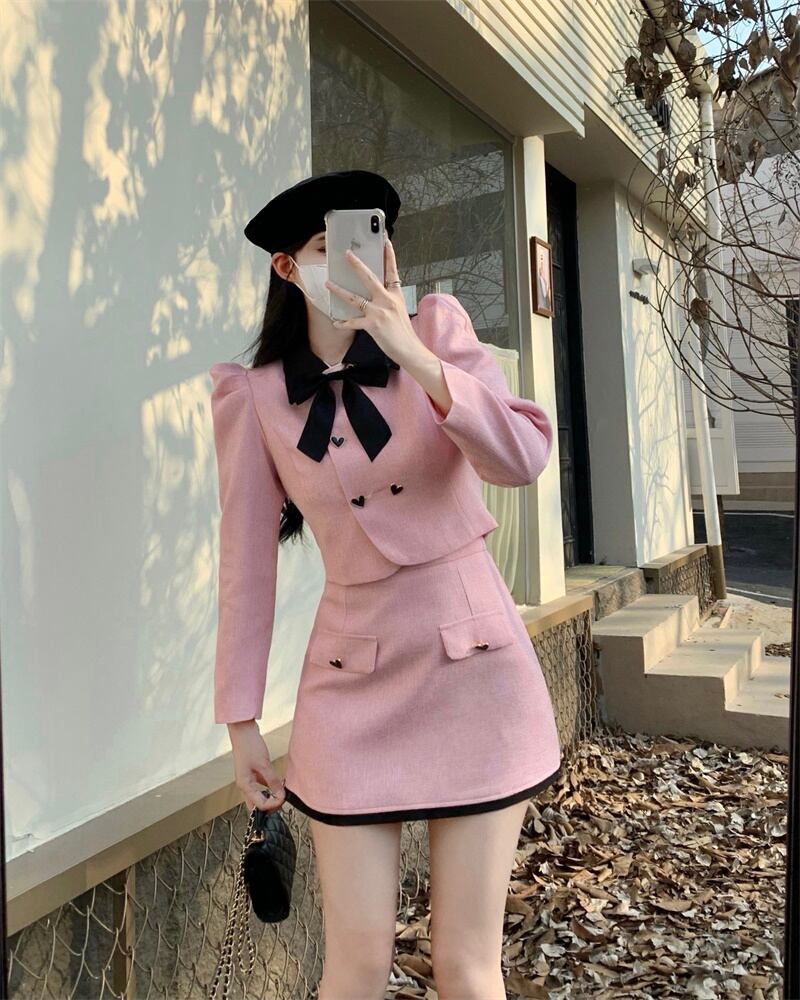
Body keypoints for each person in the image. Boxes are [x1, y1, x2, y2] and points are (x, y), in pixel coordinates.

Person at [208, 169, 562, 1000]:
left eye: (372, 241)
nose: (358, 262)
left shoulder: (437, 330)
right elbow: (246, 564)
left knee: (465, 964)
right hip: (350, 689)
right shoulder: (255, 396)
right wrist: (241, 721)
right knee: (357, 964)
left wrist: (415, 357)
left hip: (476, 670)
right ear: (288, 267)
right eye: (331, 246)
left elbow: (522, 458)